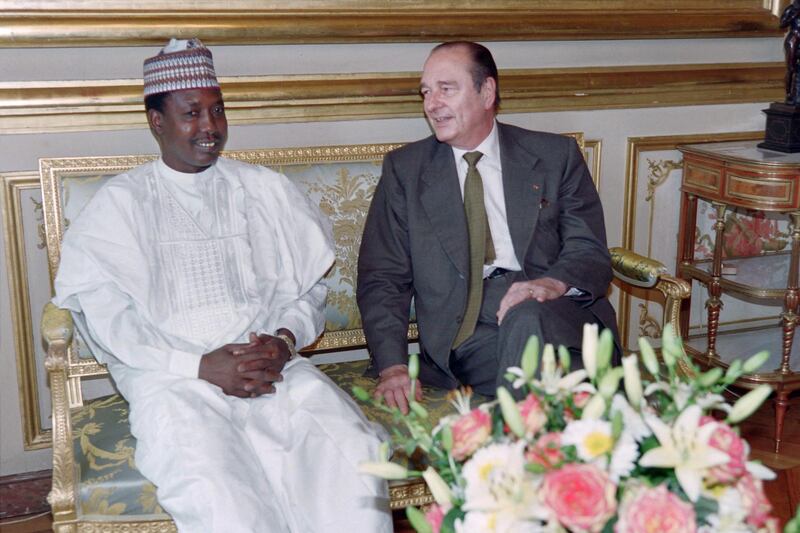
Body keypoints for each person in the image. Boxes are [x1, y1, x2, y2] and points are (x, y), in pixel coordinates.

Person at [53, 38, 391, 533]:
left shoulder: (262, 189)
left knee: (352, 458)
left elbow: (309, 291)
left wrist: (283, 340)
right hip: (175, 383)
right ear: (157, 122)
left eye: (217, 111)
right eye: (192, 113)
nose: (210, 127)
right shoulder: (120, 206)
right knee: (224, 498)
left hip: (272, 371)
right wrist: (199, 366)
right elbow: (110, 323)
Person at [357, 41, 619, 413]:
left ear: (487, 91)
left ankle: (521, 452)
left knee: (527, 315)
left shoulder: (553, 156)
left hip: (556, 314)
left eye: (446, 89)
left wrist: (548, 284)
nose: (432, 104)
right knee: (571, 379)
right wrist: (393, 366)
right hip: (470, 330)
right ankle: (583, 429)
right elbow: (383, 276)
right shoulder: (406, 170)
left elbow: (588, 251)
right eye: (426, 92)